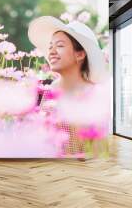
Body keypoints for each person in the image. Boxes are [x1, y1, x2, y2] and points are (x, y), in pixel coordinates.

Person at [28, 16, 109, 158]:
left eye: (59, 46)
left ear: (80, 54)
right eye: (50, 46)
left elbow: (98, 147)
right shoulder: (45, 92)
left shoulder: (95, 94)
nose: (51, 52)